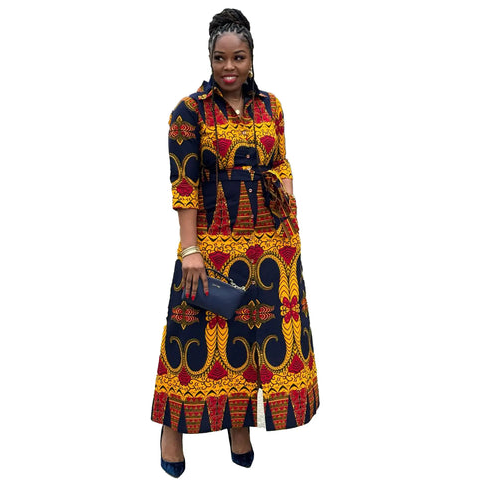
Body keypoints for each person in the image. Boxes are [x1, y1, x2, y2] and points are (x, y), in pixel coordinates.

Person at [151, 8, 319, 478]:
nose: (229, 67)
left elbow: (280, 161)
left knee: (252, 340)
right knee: (191, 340)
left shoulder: (271, 107)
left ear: (251, 58)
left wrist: (287, 198)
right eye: (220, 58)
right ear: (209, 58)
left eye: (238, 58)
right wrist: (189, 249)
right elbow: (184, 183)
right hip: (212, 244)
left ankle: (239, 427)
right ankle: (171, 431)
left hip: (270, 245)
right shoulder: (189, 112)